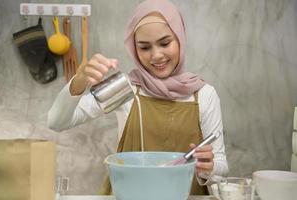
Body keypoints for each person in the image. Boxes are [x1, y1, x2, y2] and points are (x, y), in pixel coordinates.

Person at [48, 0, 228, 195]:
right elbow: (57, 122)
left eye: (165, 43)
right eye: (144, 47)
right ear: (134, 49)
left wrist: (208, 169)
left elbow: (220, 168)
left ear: (180, 38)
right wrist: (79, 82)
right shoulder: (126, 88)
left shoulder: (204, 94)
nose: (156, 55)